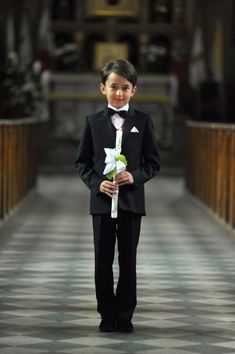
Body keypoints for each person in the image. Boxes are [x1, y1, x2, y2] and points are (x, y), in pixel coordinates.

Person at [75, 59, 160, 333]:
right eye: (114, 87)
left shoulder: (143, 122)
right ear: (103, 88)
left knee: (128, 259)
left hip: (131, 203)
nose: (119, 93)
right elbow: (82, 163)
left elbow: (153, 163)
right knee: (102, 259)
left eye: (125, 88)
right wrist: (97, 183)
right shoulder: (92, 122)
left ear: (134, 90)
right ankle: (106, 313)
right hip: (101, 203)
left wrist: (135, 176)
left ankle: (125, 314)